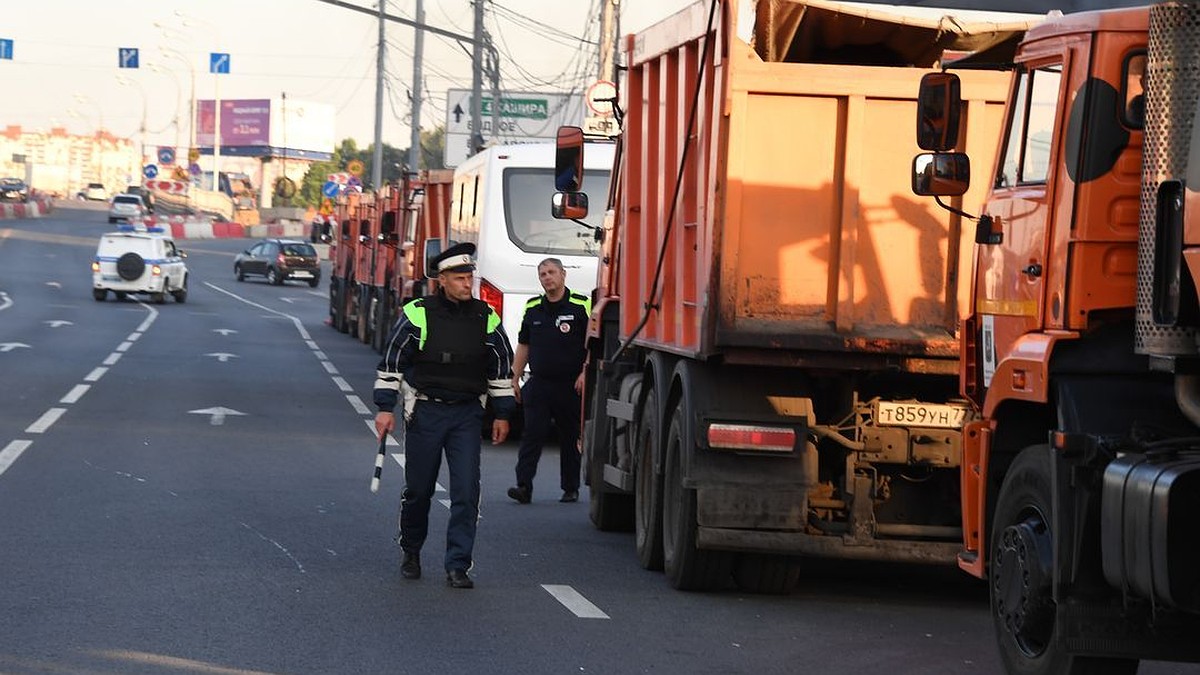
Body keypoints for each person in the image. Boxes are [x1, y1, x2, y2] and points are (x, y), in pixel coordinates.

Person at [373, 241, 515, 590]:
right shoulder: (418, 313)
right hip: (426, 412)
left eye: (470, 277)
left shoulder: (487, 316)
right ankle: (411, 550)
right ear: (442, 280)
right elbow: (393, 362)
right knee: (419, 490)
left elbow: (501, 366)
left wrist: (503, 413)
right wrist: (383, 409)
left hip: (467, 415)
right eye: (461, 278)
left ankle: (458, 565)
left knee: (466, 491)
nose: (469, 284)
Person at [506, 258, 591, 505]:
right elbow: (524, 344)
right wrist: (515, 376)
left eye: (551, 272)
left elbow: (592, 346)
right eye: (542, 274)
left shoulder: (581, 306)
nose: (547, 277)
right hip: (539, 383)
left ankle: (570, 488)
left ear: (563, 274)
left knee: (568, 436)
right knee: (532, 434)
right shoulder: (533, 308)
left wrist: (585, 373)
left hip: (569, 384)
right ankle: (523, 486)